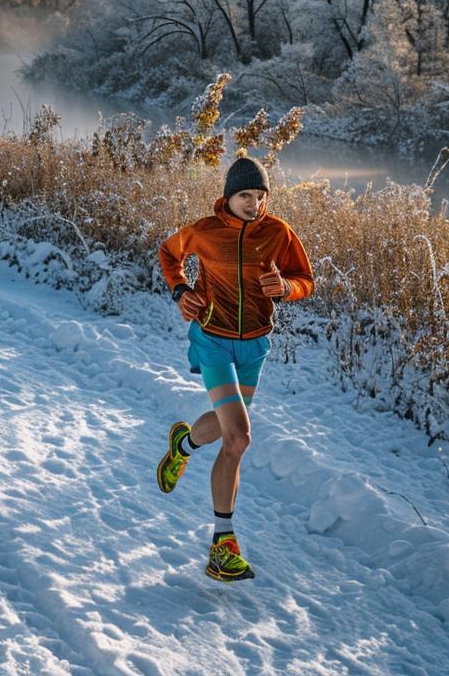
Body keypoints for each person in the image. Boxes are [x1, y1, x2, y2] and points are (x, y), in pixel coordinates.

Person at [155, 156, 313, 582]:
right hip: (213, 340)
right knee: (239, 437)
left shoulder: (278, 232)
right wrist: (180, 290)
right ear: (229, 196)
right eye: (246, 195)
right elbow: (169, 254)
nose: (254, 204)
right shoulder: (204, 232)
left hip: (254, 345)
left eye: (261, 196)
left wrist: (287, 288)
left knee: (229, 430)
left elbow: (305, 279)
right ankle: (221, 545)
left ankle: (183, 446)